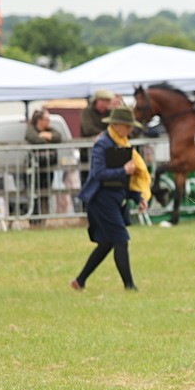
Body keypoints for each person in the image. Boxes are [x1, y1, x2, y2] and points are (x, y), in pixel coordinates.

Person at [72, 107, 151, 291]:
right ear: (115, 125)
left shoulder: (122, 143)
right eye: (127, 126)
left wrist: (137, 196)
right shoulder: (102, 144)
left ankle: (79, 281)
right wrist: (123, 170)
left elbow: (124, 180)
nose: (130, 130)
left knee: (107, 243)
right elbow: (99, 173)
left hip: (116, 198)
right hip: (101, 200)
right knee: (121, 239)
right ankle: (130, 287)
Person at [25, 109, 61, 227]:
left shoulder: (49, 130)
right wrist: (46, 139)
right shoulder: (30, 130)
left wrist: (46, 135)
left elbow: (58, 137)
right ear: (39, 120)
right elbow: (35, 139)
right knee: (34, 195)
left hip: (47, 167)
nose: (49, 121)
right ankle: (34, 223)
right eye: (47, 119)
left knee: (45, 194)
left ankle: (43, 221)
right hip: (33, 169)